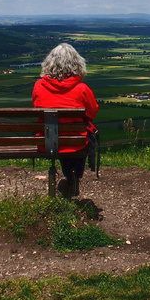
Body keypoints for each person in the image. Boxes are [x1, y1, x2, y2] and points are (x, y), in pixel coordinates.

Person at [31, 43, 98, 198]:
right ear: (76, 64)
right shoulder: (82, 89)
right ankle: (73, 177)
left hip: (47, 142)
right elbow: (92, 112)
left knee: (60, 140)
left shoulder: (39, 86)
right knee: (79, 140)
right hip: (75, 143)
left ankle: (69, 179)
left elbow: (36, 107)